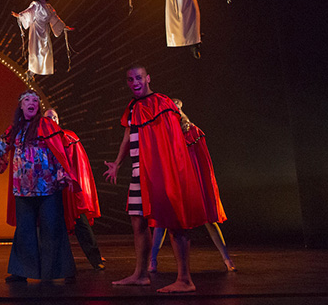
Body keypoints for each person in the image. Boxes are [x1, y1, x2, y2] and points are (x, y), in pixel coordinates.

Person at [103, 67, 210, 293]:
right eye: (130, 79)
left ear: (148, 78)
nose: (135, 83)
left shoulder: (162, 102)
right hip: (138, 172)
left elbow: (173, 138)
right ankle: (140, 275)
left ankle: (185, 279)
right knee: (138, 221)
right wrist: (117, 163)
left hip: (161, 172)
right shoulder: (132, 107)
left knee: (174, 221)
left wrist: (171, 170)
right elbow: (126, 138)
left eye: (139, 78)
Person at [0, 90, 78, 283]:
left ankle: (54, 271)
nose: (32, 103)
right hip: (23, 188)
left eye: (35, 101)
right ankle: (21, 271)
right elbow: (1, 144)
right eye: (27, 100)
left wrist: (63, 172)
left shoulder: (46, 124)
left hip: (48, 187)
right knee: (24, 230)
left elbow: (59, 147)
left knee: (51, 228)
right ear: (21, 105)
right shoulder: (16, 128)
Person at [149, 99, 234, 272]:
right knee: (162, 221)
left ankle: (227, 259)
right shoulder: (165, 134)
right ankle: (152, 261)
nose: (176, 114)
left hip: (193, 181)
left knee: (210, 220)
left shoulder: (192, 131)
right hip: (176, 182)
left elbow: (202, 161)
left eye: (178, 110)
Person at [44, 109, 105, 270]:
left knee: (81, 224)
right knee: (51, 227)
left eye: (55, 117)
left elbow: (78, 162)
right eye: (48, 117)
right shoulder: (40, 140)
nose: (52, 119)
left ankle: (95, 258)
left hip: (69, 190)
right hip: (50, 190)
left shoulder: (68, 136)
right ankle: (53, 263)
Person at [12, 0, 74, 78]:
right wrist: (20, 15)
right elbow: (29, 11)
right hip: (36, 29)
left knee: (46, 51)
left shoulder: (49, 7)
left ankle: (38, 70)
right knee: (36, 50)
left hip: (45, 30)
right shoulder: (36, 4)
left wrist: (64, 27)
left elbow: (55, 18)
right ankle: (31, 71)